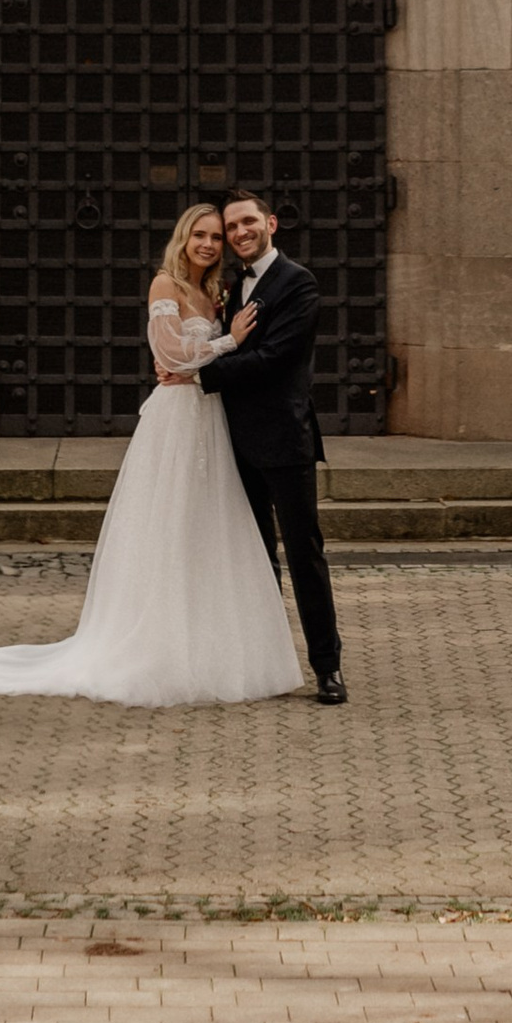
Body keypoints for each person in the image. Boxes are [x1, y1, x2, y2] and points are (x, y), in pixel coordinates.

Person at [0, 208, 305, 707]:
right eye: (198, 235)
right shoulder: (166, 286)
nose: (207, 244)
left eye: (214, 237)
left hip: (211, 417)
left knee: (210, 529)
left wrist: (218, 350)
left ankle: (214, 647)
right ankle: (160, 648)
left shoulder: (216, 292)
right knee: (170, 525)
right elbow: (169, 358)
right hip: (177, 421)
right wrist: (231, 340)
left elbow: (198, 363)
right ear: (182, 239)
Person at [199, 186, 347, 706]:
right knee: (255, 557)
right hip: (235, 442)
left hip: (285, 441)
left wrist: (201, 374)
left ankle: (327, 666)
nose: (239, 233)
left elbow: (276, 359)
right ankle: (262, 663)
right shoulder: (229, 286)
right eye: (231, 227)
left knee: (304, 554)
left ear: (271, 224)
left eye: (247, 223)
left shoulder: (298, 283)